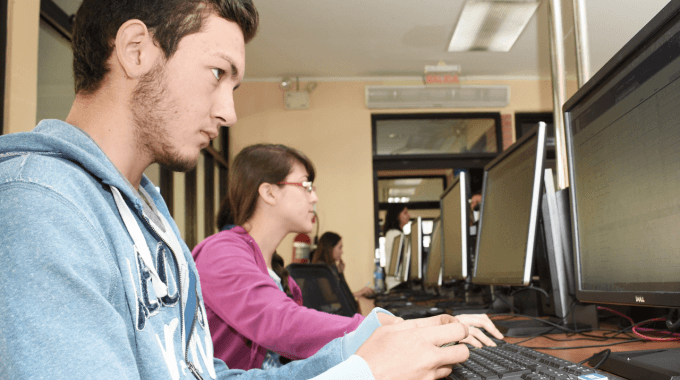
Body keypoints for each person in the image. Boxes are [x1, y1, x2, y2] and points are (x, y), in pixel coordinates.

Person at [0, 0, 502, 379]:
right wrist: (363, 373)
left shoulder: (146, 215)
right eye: (217, 73)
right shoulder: (39, 207)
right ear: (136, 51)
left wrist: (372, 349)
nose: (229, 112)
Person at [311, 231, 374, 301]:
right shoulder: (321, 269)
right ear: (330, 248)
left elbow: (343, 292)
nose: (342, 252)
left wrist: (340, 274)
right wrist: (359, 293)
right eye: (340, 248)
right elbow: (330, 298)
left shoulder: (331, 266)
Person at [382, 203, 411, 289]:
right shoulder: (397, 235)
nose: (409, 215)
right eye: (405, 213)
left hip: (392, 283)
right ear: (397, 216)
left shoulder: (390, 233)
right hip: (397, 283)